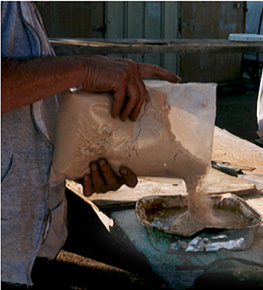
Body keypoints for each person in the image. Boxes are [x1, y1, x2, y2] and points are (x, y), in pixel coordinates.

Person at [1, 1, 181, 286]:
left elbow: (31, 117)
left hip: (30, 251)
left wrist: (86, 159)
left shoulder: (23, 9)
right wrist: (84, 68)